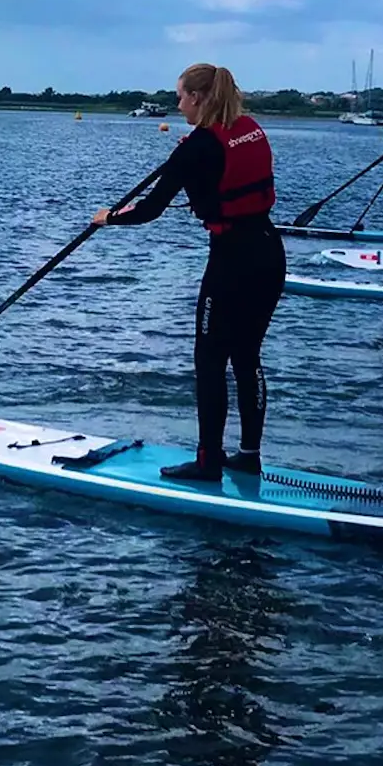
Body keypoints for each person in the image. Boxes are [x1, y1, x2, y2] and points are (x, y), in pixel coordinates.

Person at [92, 63, 283, 485]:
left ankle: (208, 462)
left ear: (196, 98)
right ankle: (249, 456)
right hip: (269, 253)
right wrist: (190, 163)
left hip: (233, 261)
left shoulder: (196, 147)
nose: (177, 105)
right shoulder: (250, 128)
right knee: (247, 356)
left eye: (180, 97)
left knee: (210, 360)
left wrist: (110, 218)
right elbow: (222, 172)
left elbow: (150, 209)